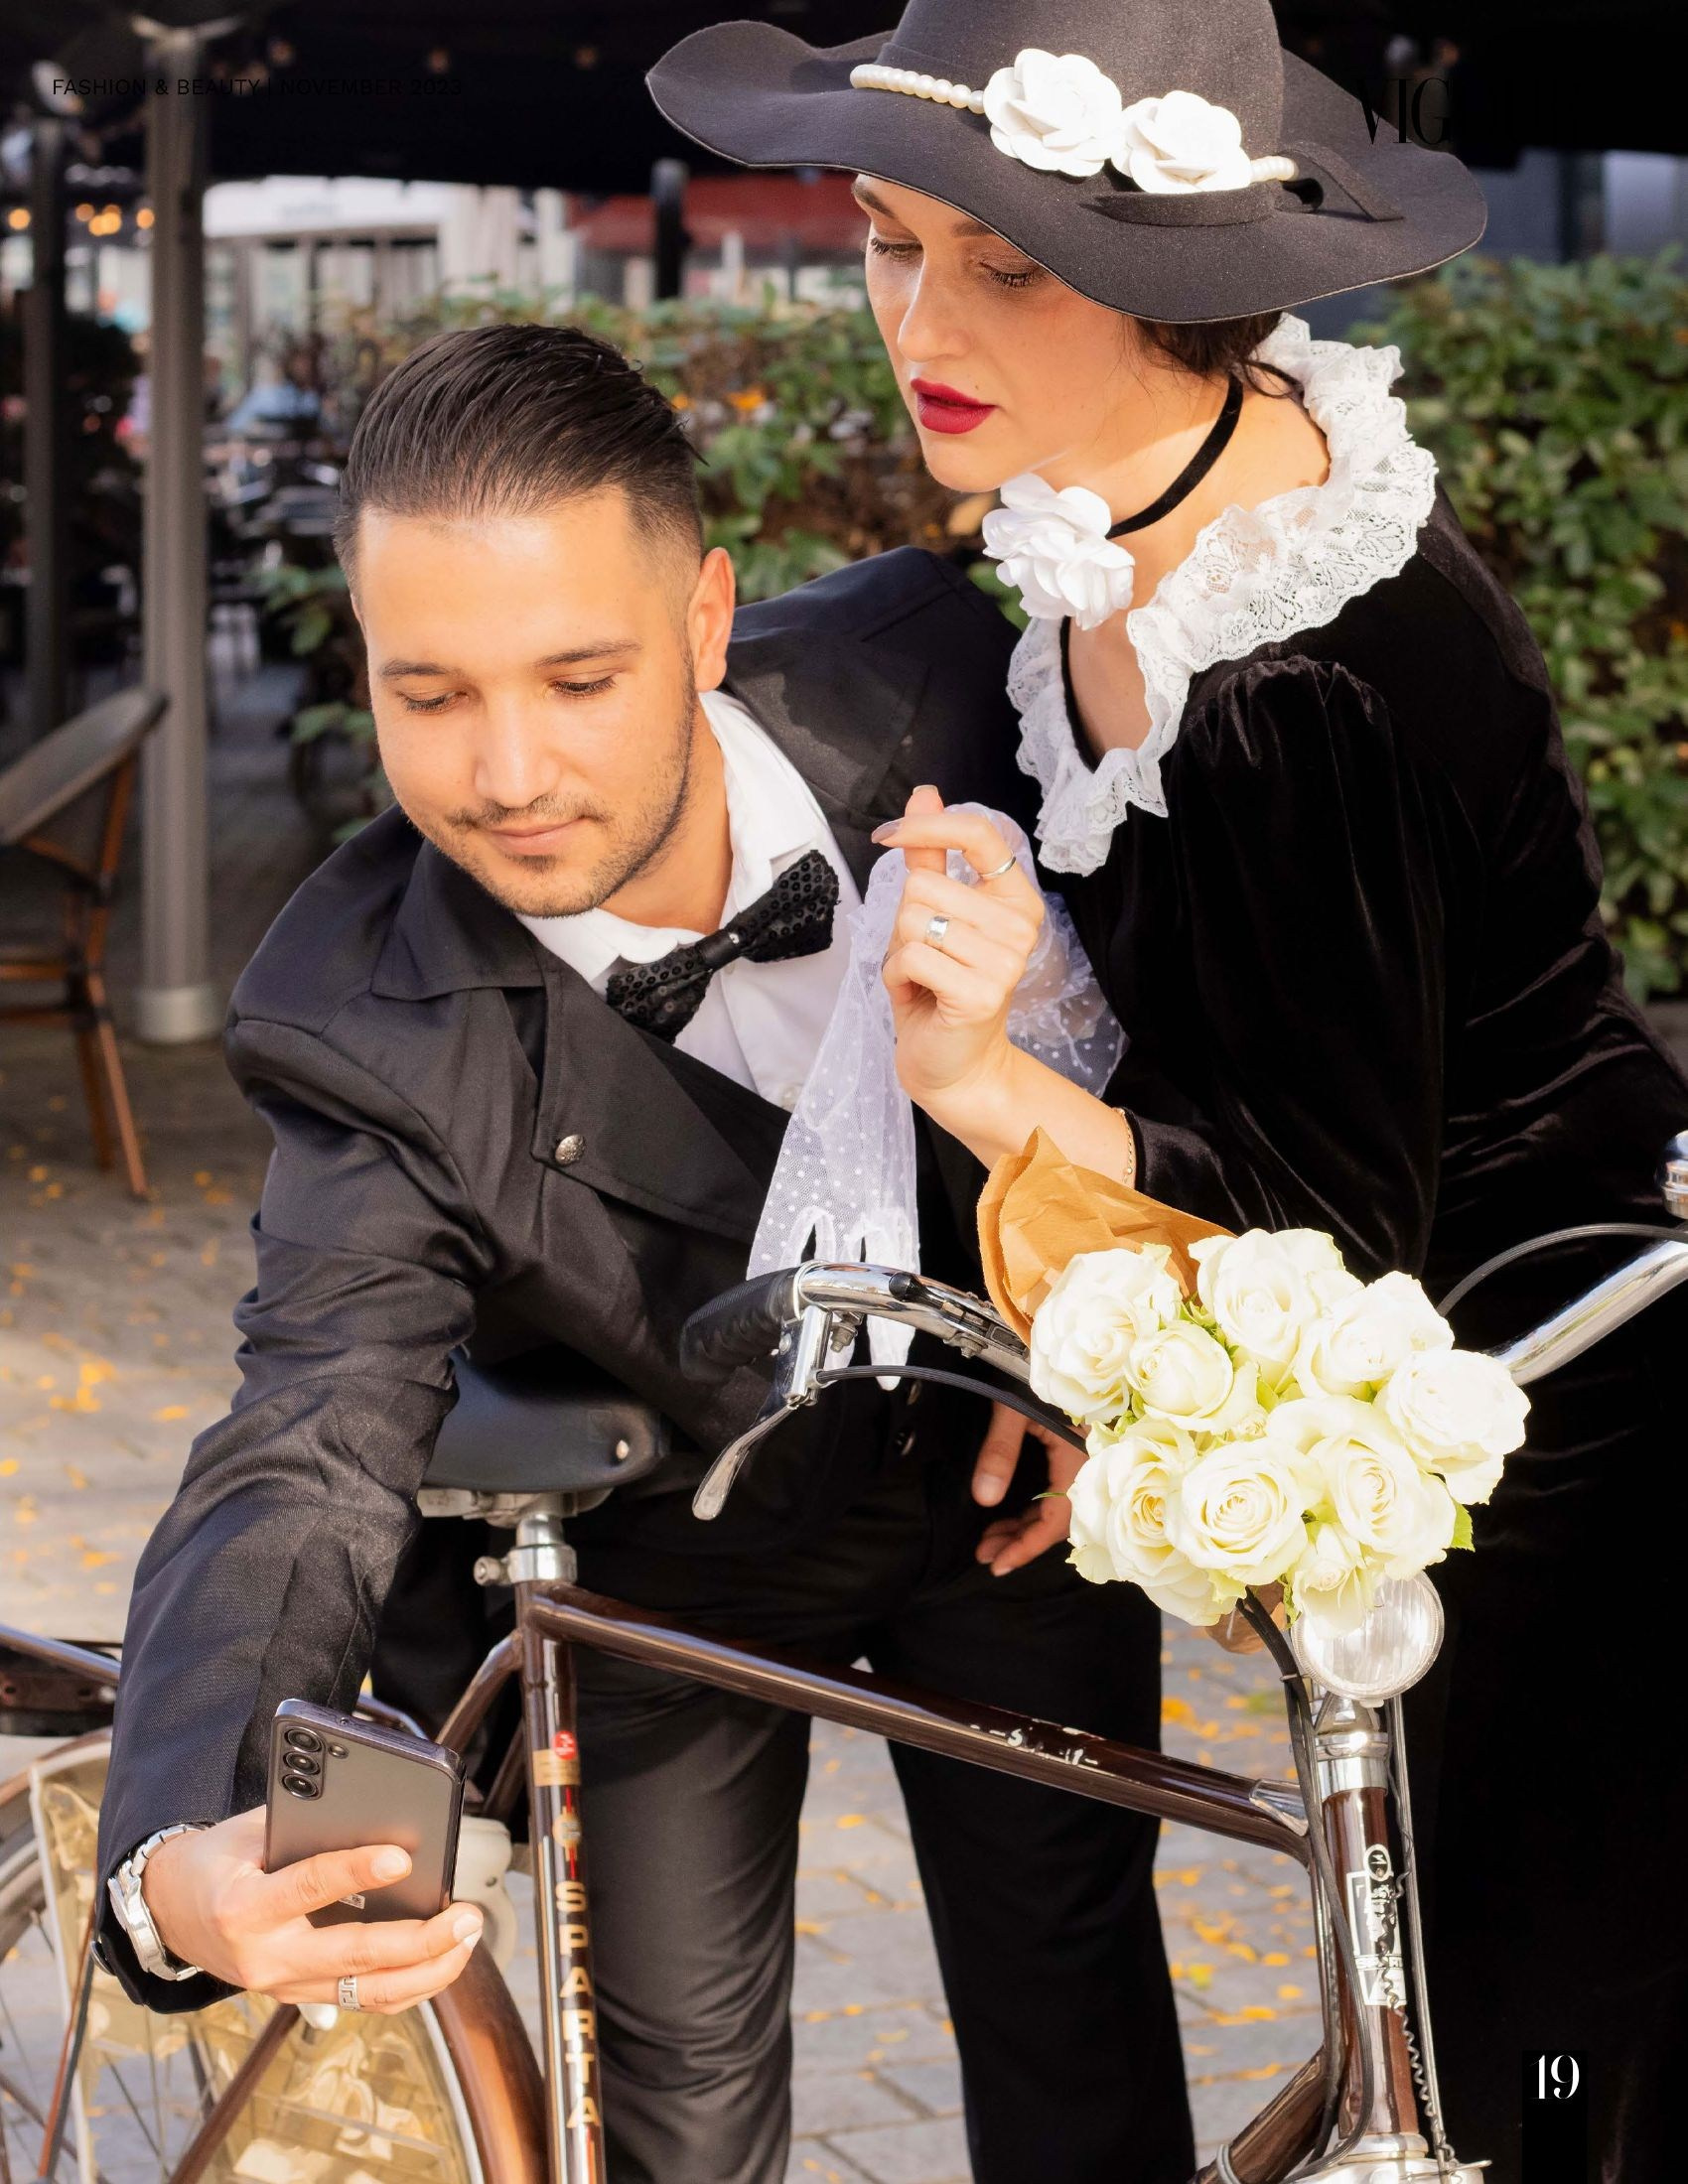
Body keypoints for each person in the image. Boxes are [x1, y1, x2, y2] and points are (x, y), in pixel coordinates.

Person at [649, 0, 1688, 2175]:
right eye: (881, 237)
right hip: (1384, 1401)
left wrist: (982, 1087)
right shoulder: (1115, 520)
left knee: (1533, 2075)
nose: (918, 316)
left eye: (1008, 268)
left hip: (1552, 1426)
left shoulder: (1312, 661)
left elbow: (1334, 1219)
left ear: (1189, 295)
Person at [94, 323, 1195, 2184]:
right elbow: (307, 1429)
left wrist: (1108, 1317)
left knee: (1083, 2024)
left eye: (579, 677)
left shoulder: (944, 672)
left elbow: (1182, 1013)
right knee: (679, 2112)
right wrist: (176, 1855)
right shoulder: (353, 1013)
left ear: (702, 619)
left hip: (1013, 1489)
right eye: (426, 694)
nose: (508, 772)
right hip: (686, 1551)